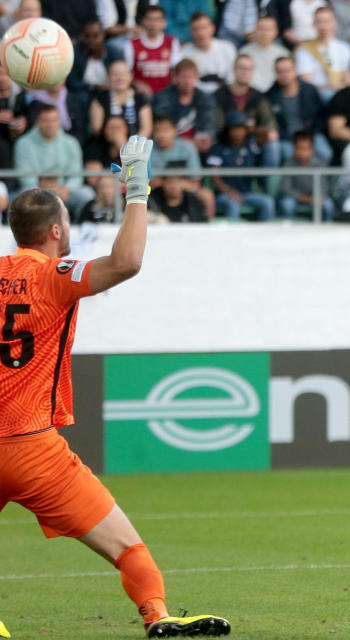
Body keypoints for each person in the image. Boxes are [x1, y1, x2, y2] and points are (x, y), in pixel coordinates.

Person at [0, 135, 231, 637]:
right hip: (33, 448)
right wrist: (136, 191)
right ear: (57, 231)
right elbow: (125, 263)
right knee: (128, 548)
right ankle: (157, 615)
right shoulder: (54, 274)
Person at [14, 105, 94, 216]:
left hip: (64, 192)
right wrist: (41, 190)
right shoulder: (23, 143)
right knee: (21, 195)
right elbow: (25, 177)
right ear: (37, 122)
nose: (50, 125)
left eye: (54, 120)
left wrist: (66, 189)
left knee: (87, 194)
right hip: (35, 191)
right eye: (46, 121)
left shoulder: (71, 143)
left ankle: (79, 224)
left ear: (59, 122)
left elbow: (76, 175)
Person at [213, 55, 281, 168]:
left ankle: (266, 185)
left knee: (273, 145)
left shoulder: (258, 97)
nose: (245, 72)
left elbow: (270, 124)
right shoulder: (220, 95)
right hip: (224, 141)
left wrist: (259, 131)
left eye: (249, 69)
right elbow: (217, 126)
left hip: (252, 142)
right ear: (234, 70)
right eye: (241, 68)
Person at [207, 111, 277, 221]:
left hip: (246, 194)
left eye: (241, 128)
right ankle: (232, 236)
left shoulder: (250, 145)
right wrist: (229, 191)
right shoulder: (218, 148)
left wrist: (251, 129)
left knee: (267, 202)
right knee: (233, 205)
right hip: (225, 195)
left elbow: (265, 134)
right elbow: (215, 177)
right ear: (228, 130)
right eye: (234, 128)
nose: (238, 132)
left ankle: (265, 236)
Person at [266, 56, 333, 164]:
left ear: (295, 71)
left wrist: (309, 139)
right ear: (276, 74)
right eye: (280, 72)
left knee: (325, 153)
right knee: (289, 156)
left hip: (311, 135)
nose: (284, 75)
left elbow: (321, 117)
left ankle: (321, 181)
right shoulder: (270, 96)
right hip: (286, 138)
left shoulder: (310, 90)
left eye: (287, 70)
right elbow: (271, 123)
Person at [152, 59, 217, 154]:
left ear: (196, 78)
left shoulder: (205, 99)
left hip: (197, 149)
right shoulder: (163, 98)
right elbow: (162, 131)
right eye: (184, 77)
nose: (187, 81)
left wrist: (200, 140)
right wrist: (188, 142)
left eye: (191, 77)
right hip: (167, 148)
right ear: (176, 78)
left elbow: (206, 133)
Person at [294, 6, 350, 100]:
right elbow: (307, 82)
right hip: (316, 96)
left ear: (335, 23)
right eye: (319, 22)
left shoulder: (344, 48)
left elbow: (349, 79)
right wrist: (327, 86)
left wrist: (338, 87)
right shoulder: (304, 50)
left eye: (327, 21)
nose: (323, 26)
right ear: (314, 24)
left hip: (341, 94)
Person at [124, 5, 181, 98]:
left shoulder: (172, 42)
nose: (153, 23)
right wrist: (136, 85)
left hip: (166, 94)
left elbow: (176, 70)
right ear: (143, 21)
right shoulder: (131, 44)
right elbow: (126, 73)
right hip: (140, 94)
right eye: (149, 19)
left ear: (164, 23)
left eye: (157, 20)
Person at [89, 60, 153, 139]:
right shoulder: (100, 99)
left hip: (135, 146)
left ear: (130, 76)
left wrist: (132, 147)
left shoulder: (140, 98)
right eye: (115, 74)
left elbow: (146, 129)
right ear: (109, 77)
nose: (120, 78)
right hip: (106, 145)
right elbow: (96, 128)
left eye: (124, 74)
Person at [180, 12, 238, 94]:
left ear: (212, 28)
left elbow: (232, 77)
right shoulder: (184, 54)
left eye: (204, 28)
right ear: (191, 32)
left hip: (226, 94)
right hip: (198, 96)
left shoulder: (228, 48)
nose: (200, 33)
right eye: (196, 29)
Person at [278, 131, 326, 219]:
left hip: (314, 197)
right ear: (294, 149)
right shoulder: (289, 163)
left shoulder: (319, 163)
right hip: (296, 198)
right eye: (299, 148)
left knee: (328, 205)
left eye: (305, 148)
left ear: (312, 150)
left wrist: (318, 197)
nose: (302, 152)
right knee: (287, 204)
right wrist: (305, 198)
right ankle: (289, 229)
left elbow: (324, 187)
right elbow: (285, 189)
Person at [239, 16, 290, 92]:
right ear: (255, 30)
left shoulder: (284, 53)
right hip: (252, 94)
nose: (264, 33)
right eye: (261, 29)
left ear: (276, 32)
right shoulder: (244, 52)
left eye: (268, 29)